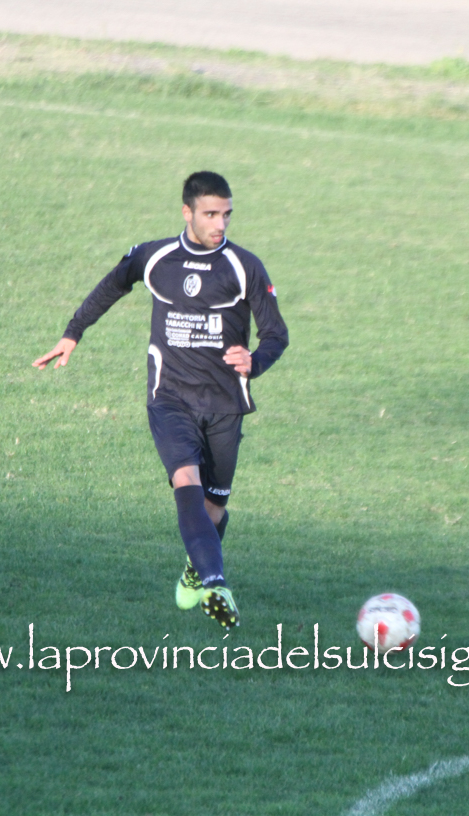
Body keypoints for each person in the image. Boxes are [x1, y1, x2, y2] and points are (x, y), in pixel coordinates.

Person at [32, 172, 289, 629]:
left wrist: (255, 361)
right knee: (185, 480)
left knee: (214, 507)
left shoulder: (244, 266)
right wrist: (73, 333)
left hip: (225, 403)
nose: (220, 224)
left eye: (227, 214)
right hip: (169, 397)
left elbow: (276, 334)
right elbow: (113, 284)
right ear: (187, 212)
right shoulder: (155, 257)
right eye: (211, 214)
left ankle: (195, 564)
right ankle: (215, 583)